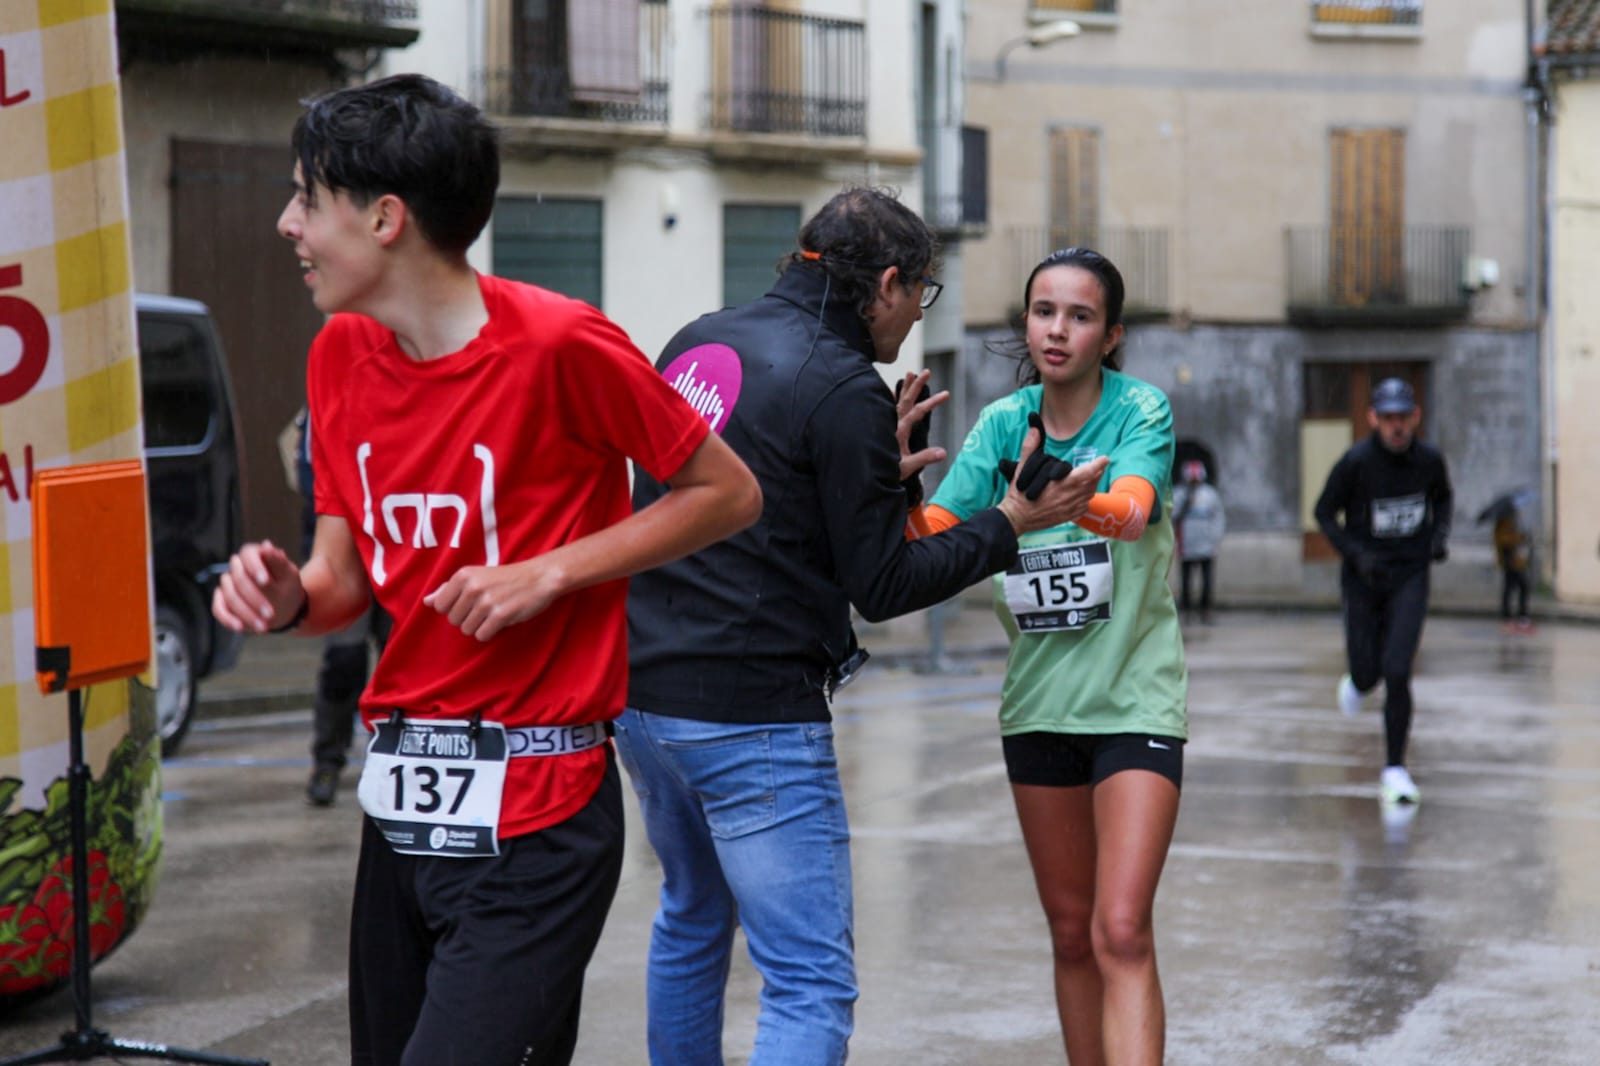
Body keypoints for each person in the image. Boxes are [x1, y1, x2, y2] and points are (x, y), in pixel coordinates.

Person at [211, 73, 762, 1066]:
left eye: (306, 197)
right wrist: (289, 594)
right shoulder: (338, 354)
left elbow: (726, 492)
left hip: (542, 817)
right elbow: (342, 582)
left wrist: (550, 571)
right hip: (404, 808)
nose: (286, 222)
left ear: (384, 218)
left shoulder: (562, 344)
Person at [621, 187, 1109, 1066]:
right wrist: (1011, 522)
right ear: (885, 284)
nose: (915, 319)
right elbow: (882, 585)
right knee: (808, 980)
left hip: (645, 697)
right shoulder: (840, 384)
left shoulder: (699, 340)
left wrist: (877, 475)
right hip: (751, 710)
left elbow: (764, 500)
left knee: (692, 920)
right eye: (919, 295)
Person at [920, 247, 1187, 1065]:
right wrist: (879, 483)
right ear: (1026, 323)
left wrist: (1053, 495)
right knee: (1072, 935)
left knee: (1120, 929)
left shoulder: (1142, 409)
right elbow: (935, 535)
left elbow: (1134, 511)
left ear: (1110, 334)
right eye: (1044, 312)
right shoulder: (1003, 425)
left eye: (1079, 315)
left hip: (1134, 704)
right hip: (1037, 708)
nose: (1057, 329)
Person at [1314, 376, 1453, 807]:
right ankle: (1357, 682)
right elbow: (1323, 513)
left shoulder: (1429, 461)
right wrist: (1356, 554)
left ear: (1416, 417)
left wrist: (1437, 537)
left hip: (1410, 576)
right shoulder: (1356, 462)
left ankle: (1395, 769)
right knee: (1368, 671)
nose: (1396, 426)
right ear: (1373, 418)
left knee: (1397, 670)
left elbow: (1443, 499)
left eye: (1403, 418)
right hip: (1364, 580)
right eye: (1388, 418)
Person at [290, 405, 391, 807]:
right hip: (344, 550)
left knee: (398, 660)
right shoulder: (327, 404)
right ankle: (327, 762)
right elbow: (310, 481)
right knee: (344, 662)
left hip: (399, 547)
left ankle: (393, 760)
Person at [1172, 459, 1225, 623]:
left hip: (1206, 544)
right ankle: (1186, 609)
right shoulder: (1179, 494)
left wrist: (1216, 537)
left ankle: (1206, 609)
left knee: (1207, 579)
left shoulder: (1210, 495)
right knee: (1186, 579)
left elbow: (1218, 517)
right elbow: (1172, 516)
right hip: (1186, 543)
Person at [1492, 505, 1533, 631]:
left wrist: (1522, 537)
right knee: (1518, 587)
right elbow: (1506, 541)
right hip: (1510, 562)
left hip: (1515, 561)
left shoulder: (1511, 524)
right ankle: (1513, 616)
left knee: (1514, 588)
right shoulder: (1503, 524)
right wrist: (1520, 538)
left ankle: (1516, 616)